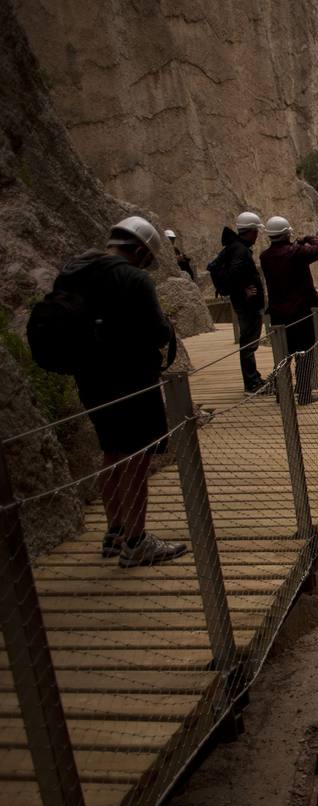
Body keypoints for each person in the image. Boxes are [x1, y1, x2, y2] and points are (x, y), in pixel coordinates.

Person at [52, 217, 188, 566]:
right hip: (131, 382)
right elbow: (158, 333)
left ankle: (114, 531)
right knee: (136, 461)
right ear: (141, 250)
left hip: (90, 380)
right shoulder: (134, 278)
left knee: (112, 452)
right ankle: (136, 541)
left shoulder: (74, 273)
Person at [259, 216, 318, 404]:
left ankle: (283, 394)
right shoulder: (296, 253)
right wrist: (308, 239)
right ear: (288, 233)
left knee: (283, 355)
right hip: (300, 312)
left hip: (278, 314)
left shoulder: (265, 257)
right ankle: (304, 394)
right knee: (304, 354)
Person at [213, 212, 268, 392]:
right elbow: (235, 272)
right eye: (256, 232)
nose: (257, 235)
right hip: (248, 305)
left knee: (248, 342)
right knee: (249, 344)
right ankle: (252, 382)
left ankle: (253, 379)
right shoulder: (240, 250)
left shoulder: (234, 247)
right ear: (251, 231)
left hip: (245, 303)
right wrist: (244, 289)